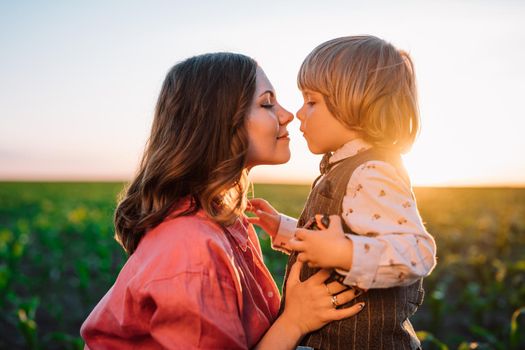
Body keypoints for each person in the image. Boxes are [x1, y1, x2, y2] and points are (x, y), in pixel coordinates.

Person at [80, 52, 365, 349]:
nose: (287, 114)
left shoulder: (227, 219)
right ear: (219, 121)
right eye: (267, 102)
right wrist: (295, 321)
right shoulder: (192, 248)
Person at [248, 36, 437, 349]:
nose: (298, 113)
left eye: (312, 101)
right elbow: (346, 230)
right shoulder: (344, 166)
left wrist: (344, 254)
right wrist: (284, 227)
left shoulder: (372, 171)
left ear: (354, 103)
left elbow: (418, 252)